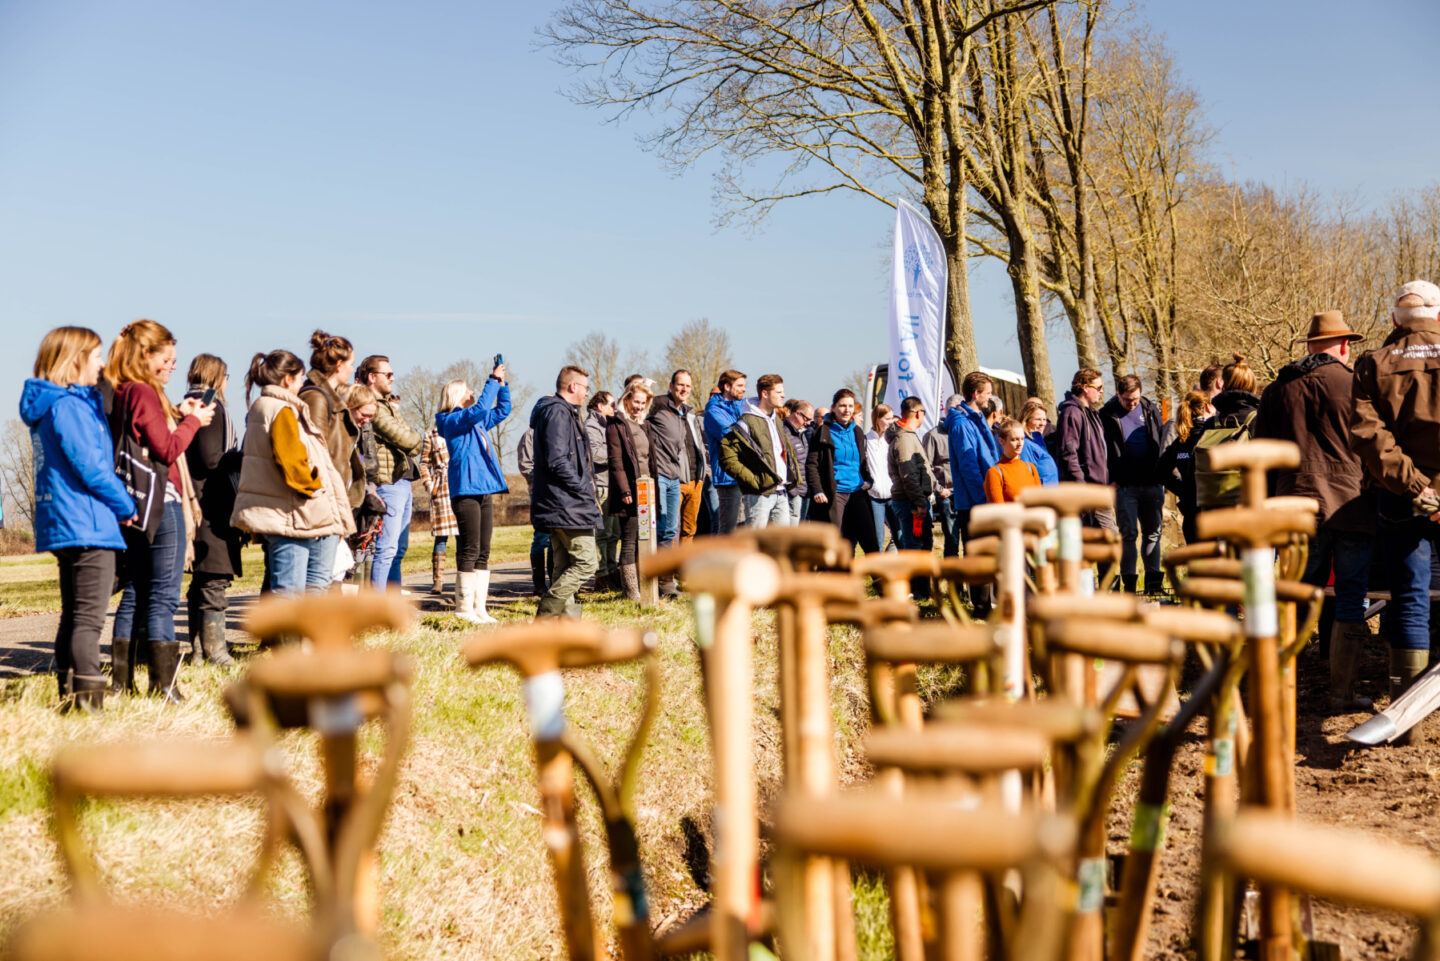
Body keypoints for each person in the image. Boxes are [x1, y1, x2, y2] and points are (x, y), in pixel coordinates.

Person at [1255, 310, 1373, 712]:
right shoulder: (1356, 383)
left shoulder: (1277, 390)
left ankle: (1281, 689)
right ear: (1344, 346)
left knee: (1296, 597)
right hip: (1351, 505)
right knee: (1350, 599)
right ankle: (1342, 693)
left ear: (1309, 346)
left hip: (1295, 504)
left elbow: (1262, 454)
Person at [21, 327, 136, 712]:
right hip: (87, 523)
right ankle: (88, 704)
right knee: (88, 620)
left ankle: (69, 697)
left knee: (73, 616)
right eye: (97, 356)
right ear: (75, 360)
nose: (102, 364)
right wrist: (126, 505)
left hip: (66, 522)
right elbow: (91, 467)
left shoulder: (54, 403)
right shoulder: (68, 407)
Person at [105, 319, 212, 703]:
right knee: (163, 596)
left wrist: (180, 414)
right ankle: (165, 686)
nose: (172, 367)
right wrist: (194, 422)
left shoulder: (122, 391)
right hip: (160, 504)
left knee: (134, 590)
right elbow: (166, 449)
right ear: (146, 355)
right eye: (166, 359)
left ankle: (121, 683)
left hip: (132, 505)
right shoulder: (145, 393)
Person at [1353, 282, 1440, 740]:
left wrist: (1418, 488)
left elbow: (1369, 436)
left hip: (1400, 496)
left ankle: (1408, 723)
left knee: (1409, 599)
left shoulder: (1373, 363)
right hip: (1426, 496)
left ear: (1393, 319)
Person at [231, 350, 354, 602]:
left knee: (291, 586)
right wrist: (316, 487)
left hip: (285, 510)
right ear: (287, 379)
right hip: (293, 512)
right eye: (299, 379)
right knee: (292, 590)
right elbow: (292, 461)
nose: (302, 385)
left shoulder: (262, 406)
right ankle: (288, 641)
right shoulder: (282, 409)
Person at [436, 365, 512, 624]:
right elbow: (480, 408)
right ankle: (463, 609)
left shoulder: (475, 420)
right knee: (470, 548)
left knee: (483, 550)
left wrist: (502, 386)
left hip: (484, 490)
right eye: (468, 389)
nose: (472, 392)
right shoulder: (450, 421)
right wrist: (491, 380)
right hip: (465, 491)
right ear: (457, 395)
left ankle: (480, 608)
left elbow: (502, 411)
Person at [183, 353, 243, 666]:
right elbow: (211, 458)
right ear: (217, 376)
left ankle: (198, 651)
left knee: (203, 581)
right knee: (214, 579)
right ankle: (215, 650)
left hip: (196, 500)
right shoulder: (209, 405)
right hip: (211, 502)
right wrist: (243, 457)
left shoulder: (187, 401)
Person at [530, 365, 602, 619]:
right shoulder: (559, 413)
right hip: (567, 504)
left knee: (563, 567)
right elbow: (557, 460)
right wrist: (583, 488)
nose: (586, 394)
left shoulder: (563, 413)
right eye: (584, 388)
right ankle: (547, 614)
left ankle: (568, 626)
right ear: (573, 387)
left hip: (560, 504)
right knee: (586, 563)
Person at [358, 355, 423, 591]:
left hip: (402, 481)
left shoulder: (386, 405)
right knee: (385, 549)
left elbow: (410, 435)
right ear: (372, 377)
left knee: (396, 548)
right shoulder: (372, 407)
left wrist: (413, 441)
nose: (393, 378)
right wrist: (413, 441)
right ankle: (376, 606)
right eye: (388, 374)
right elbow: (405, 438)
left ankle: (390, 601)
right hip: (388, 483)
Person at [1100, 375, 1166, 594]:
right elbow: (1103, 451)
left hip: (1152, 481)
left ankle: (1153, 583)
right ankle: (1129, 584)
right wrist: (1111, 479)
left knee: (1153, 532)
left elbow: (1160, 441)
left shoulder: (1150, 409)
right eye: (1128, 400)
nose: (1132, 404)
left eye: (1135, 399)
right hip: (1125, 485)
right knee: (1128, 534)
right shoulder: (1107, 415)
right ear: (1118, 394)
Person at [649, 370, 709, 591]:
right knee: (666, 529)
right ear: (671, 385)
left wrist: (705, 470)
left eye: (688, 386)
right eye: (680, 385)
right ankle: (662, 577)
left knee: (686, 530)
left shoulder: (688, 413)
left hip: (692, 477)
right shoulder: (658, 405)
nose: (684, 389)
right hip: (666, 475)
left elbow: (697, 445)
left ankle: (679, 574)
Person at [720, 374, 799, 529]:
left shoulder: (776, 419)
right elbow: (727, 457)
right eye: (778, 392)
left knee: (781, 544)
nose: (783, 395)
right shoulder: (746, 422)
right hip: (759, 495)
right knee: (755, 542)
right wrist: (754, 481)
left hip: (781, 492)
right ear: (765, 394)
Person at [805, 388, 878, 552]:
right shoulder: (823, 432)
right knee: (837, 540)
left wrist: (868, 480)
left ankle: (879, 577)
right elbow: (812, 464)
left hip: (857, 491)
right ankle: (835, 575)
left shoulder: (857, 431)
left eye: (850, 406)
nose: (847, 410)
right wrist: (817, 490)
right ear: (834, 408)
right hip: (835, 492)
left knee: (870, 539)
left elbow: (862, 461)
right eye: (842, 406)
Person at [607, 382, 655, 601]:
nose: (639, 406)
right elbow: (615, 461)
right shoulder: (617, 424)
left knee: (643, 539)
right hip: (629, 491)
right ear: (626, 400)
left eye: (643, 403)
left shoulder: (643, 424)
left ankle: (644, 585)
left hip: (647, 488)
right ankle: (630, 590)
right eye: (636, 401)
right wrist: (625, 490)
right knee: (629, 539)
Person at [946, 371, 1002, 557]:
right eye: (987, 393)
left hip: (985, 497)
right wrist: (982, 498)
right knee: (979, 560)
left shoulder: (976, 419)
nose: (990, 397)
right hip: (974, 503)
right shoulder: (961, 424)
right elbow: (968, 466)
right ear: (976, 394)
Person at [1053, 367, 1115, 530]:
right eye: (1099, 387)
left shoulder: (1092, 414)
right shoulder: (1071, 413)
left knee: (1102, 544)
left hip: (1099, 490)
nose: (1101, 392)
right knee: (1109, 542)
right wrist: (1081, 486)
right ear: (1085, 388)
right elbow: (1068, 453)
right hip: (1086, 490)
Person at [1159, 391, 1212, 544]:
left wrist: (1185, 489)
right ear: (1208, 408)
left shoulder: (1182, 440)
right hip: (1213, 508)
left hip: (1190, 511)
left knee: (1196, 561)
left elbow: (1160, 471)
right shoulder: (1213, 434)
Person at [704, 370, 747, 533]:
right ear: (727, 387)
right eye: (740, 386)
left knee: (743, 530)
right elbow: (735, 436)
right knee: (728, 530)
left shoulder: (741, 407)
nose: (744, 389)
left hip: (744, 475)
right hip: (728, 477)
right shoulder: (714, 411)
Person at [887, 397, 932, 552]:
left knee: (922, 546)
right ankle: (916, 578)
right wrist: (919, 502)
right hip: (910, 502)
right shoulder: (905, 439)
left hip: (912, 499)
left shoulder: (908, 435)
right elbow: (908, 474)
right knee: (915, 549)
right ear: (918, 413)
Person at [585, 391, 619, 591]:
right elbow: (595, 454)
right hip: (601, 486)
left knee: (614, 533)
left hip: (611, 484)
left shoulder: (607, 424)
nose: (614, 409)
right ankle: (602, 575)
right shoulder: (591, 426)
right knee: (603, 533)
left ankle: (612, 569)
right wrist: (616, 453)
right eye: (611, 405)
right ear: (600, 406)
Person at [419, 420, 457, 596]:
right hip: (441, 489)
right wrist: (430, 485)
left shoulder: (461, 427)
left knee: (463, 537)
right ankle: (438, 580)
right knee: (441, 537)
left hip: (460, 485)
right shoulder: (430, 435)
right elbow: (423, 463)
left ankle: (463, 579)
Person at [924, 395, 962, 556]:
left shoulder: (962, 432)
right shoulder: (933, 436)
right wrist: (939, 490)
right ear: (948, 411)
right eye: (959, 411)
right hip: (947, 495)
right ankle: (955, 580)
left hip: (965, 493)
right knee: (952, 541)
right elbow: (926, 467)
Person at [515, 427, 550, 597]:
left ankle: (554, 582)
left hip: (557, 493)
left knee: (555, 536)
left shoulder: (556, 430)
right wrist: (541, 481)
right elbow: (525, 465)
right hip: (539, 492)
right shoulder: (530, 434)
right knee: (541, 536)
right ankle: (539, 584)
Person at [984, 418, 1042, 503]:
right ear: (1001, 441)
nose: (1020, 443)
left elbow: (1040, 501)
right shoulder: (994, 473)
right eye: (1014, 439)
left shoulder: (1031, 468)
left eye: (1022, 439)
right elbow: (997, 509)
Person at [865, 404, 897, 550]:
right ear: (877, 419)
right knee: (877, 539)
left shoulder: (891, 440)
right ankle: (877, 571)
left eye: (892, 418)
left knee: (900, 535)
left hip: (892, 495)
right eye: (887, 418)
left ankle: (896, 567)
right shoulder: (866, 440)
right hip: (874, 497)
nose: (891, 422)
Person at [782, 399, 814, 524]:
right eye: (806, 419)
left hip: (804, 490)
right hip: (794, 492)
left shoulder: (802, 433)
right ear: (797, 413)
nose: (808, 423)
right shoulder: (784, 433)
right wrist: (793, 490)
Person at [1018, 399, 1059, 485]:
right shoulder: (1025, 444)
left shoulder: (1038, 442)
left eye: (1044, 419)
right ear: (1026, 420)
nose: (1042, 423)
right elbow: (1025, 477)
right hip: (1039, 496)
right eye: (1038, 419)